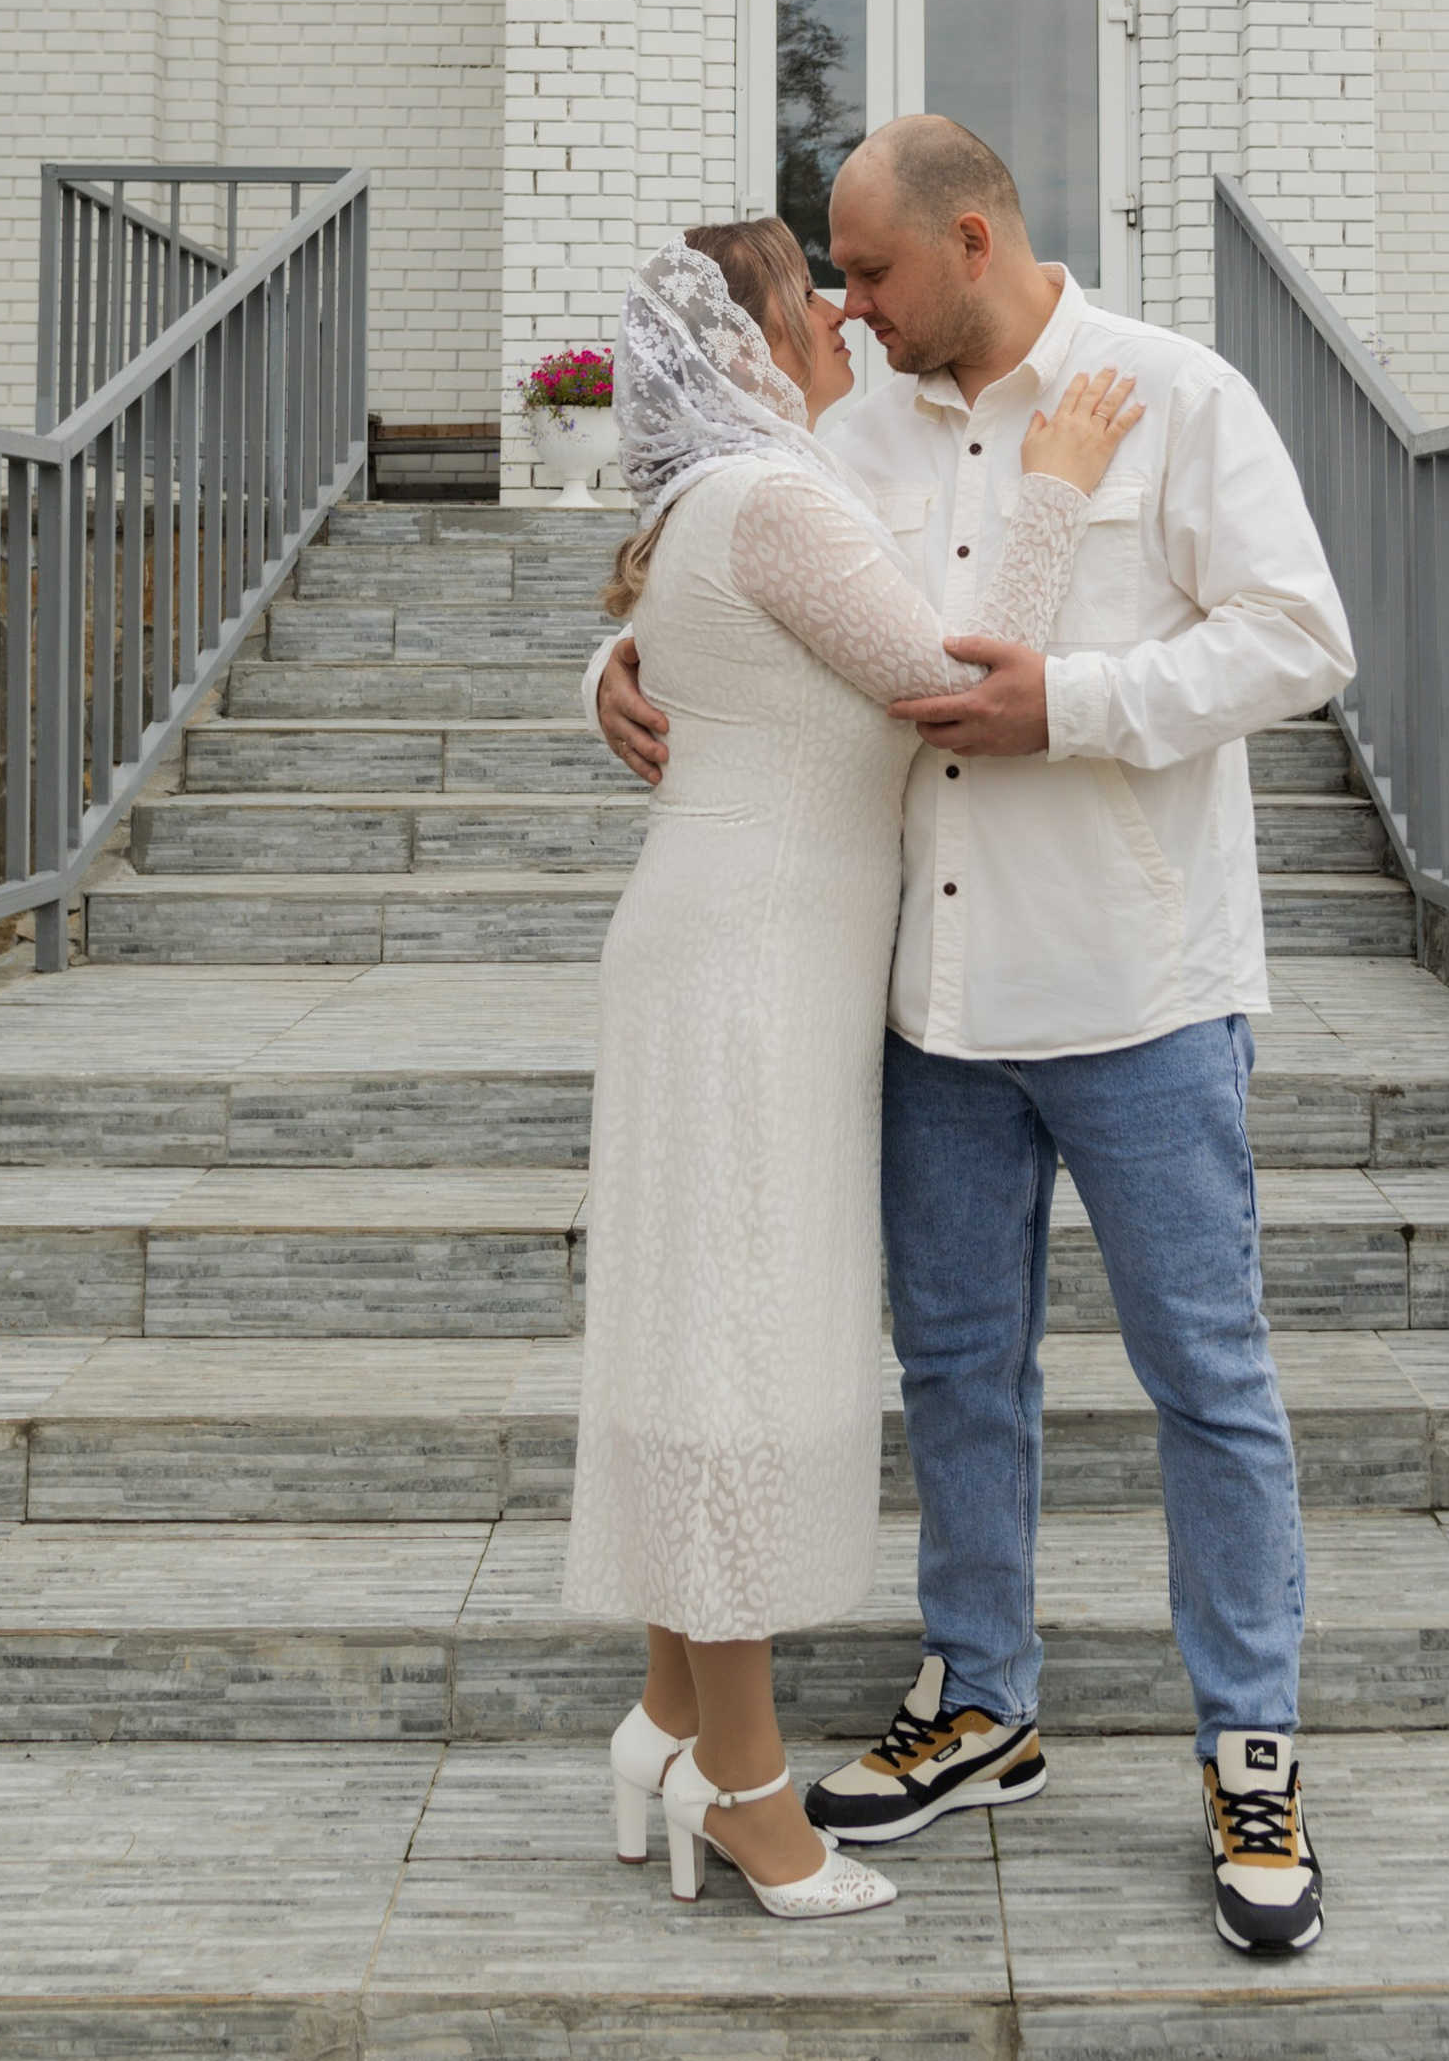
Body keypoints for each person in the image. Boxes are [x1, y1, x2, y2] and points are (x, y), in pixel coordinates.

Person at [595, 123, 1354, 1956]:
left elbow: (1300, 639)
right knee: (954, 1368)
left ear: (973, 238)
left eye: (870, 272)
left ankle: (1249, 1748)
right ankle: (983, 1700)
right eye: (832, 282)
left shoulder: (1171, 393)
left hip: (1133, 984)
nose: (849, 307)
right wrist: (611, 674)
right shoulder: (845, 428)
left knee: (1207, 1377)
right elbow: (736, 585)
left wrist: (1078, 702)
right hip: (925, 999)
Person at [567, 215, 1141, 1922]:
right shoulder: (774, 496)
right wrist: (1056, 486)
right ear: (748, 342)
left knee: (702, 1335)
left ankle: (673, 1719)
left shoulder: (721, 495)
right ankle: (747, 1786)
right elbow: (950, 686)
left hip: (733, 946)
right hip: (750, 965)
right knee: (735, 1352)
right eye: (800, 288)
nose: (835, 308)